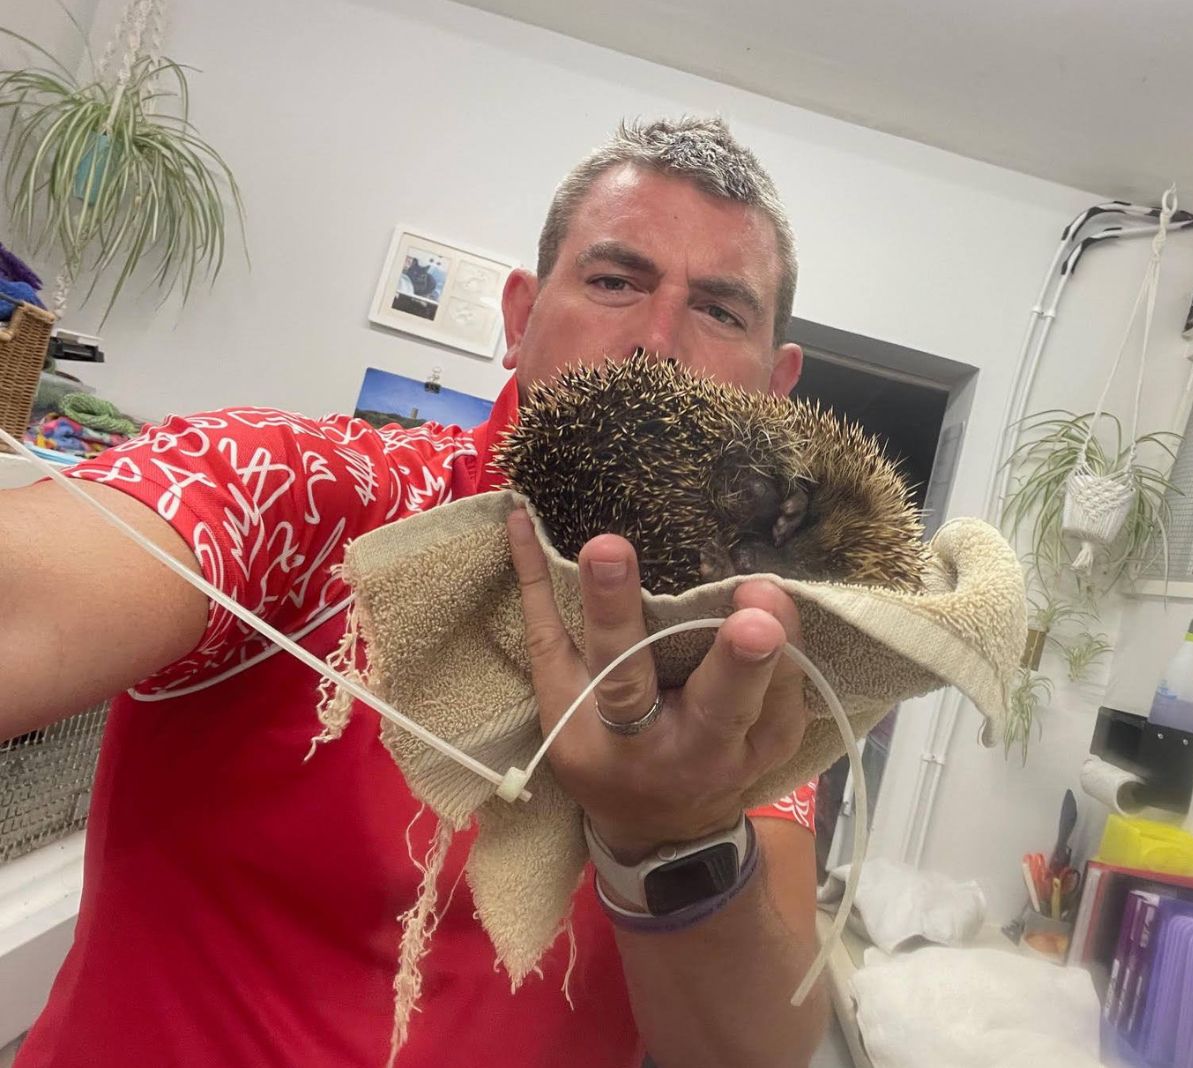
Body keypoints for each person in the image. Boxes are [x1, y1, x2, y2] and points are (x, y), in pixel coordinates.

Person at [0, 117, 828, 1068]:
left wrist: (673, 838)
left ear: (777, 386)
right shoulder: (313, 492)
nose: (655, 342)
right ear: (518, 319)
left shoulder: (760, 653)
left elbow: (758, 1051)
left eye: (721, 311)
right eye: (613, 282)